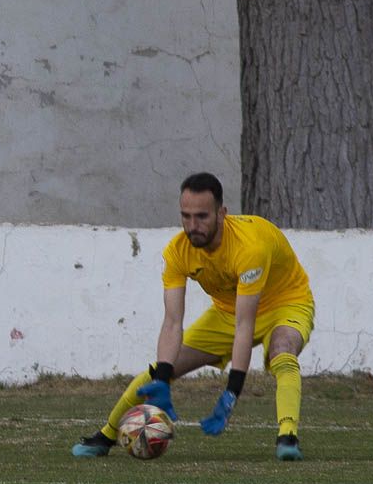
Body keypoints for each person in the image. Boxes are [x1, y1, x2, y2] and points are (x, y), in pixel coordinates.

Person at [72, 172, 314, 461]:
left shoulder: (250, 247)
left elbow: (244, 325)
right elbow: (172, 322)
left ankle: (287, 437)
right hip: (227, 311)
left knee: (282, 351)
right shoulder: (178, 251)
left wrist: (231, 393)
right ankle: (106, 436)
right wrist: (163, 377)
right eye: (185, 216)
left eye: (201, 216)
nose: (192, 226)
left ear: (222, 213)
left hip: (286, 302)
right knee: (157, 371)